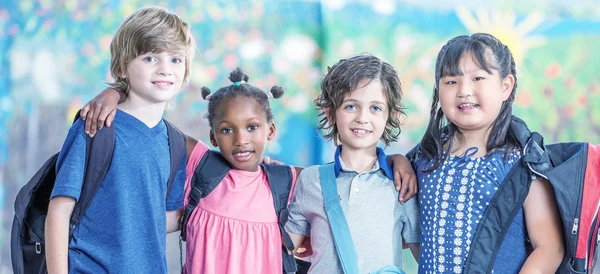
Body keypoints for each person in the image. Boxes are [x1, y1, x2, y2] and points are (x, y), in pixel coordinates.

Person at [45, 6, 195, 273]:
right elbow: (59, 212)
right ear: (123, 67)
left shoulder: (174, 143)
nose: (165, 69)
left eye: (175, 59)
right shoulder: (95, 126)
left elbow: (163, 220)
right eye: (150, 58)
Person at [412, 33, 564, 273]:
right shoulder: (426, 156)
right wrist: (398, 161)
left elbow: (549, 247)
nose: (464, 90)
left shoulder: (522, 162)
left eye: (478, 78)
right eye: (451, 81)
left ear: (506, 86)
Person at [286, 54, 420, 273]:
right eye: (351, 106)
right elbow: (285, 249)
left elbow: (426, 257)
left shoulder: (401, 184)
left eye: (375, 108)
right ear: (330, 113)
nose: (362, 117)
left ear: (390, 116)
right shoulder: (311, 180)